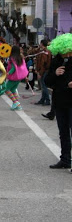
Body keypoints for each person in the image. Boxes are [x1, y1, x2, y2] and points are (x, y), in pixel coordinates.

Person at [44, 33, 72, 170]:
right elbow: (47, 81)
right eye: (64, 53)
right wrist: (55, 73)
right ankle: (65, 159)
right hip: (60, 101)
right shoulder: (56, 61)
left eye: (69, 53)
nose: (67, 55)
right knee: (63, 132)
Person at [4, 46, 28, 111]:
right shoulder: (21, 57)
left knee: (6, 89)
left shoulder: (12, 58)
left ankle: (15, 102)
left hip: (14, 77)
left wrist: (8, 73)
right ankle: (18, 105)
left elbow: (13, 68)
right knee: (13, 89)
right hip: (19, 77)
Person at [34, 40, 52, 106]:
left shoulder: (44, 52)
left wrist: (40, 73)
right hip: (44, 70)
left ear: (42, 44)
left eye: (40, 43)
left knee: (44, 86)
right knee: (43, 85)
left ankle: (47, 100)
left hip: (44, 71)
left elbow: (43, 63)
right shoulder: (45, 51)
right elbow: (34, 51)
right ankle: (43, 99)